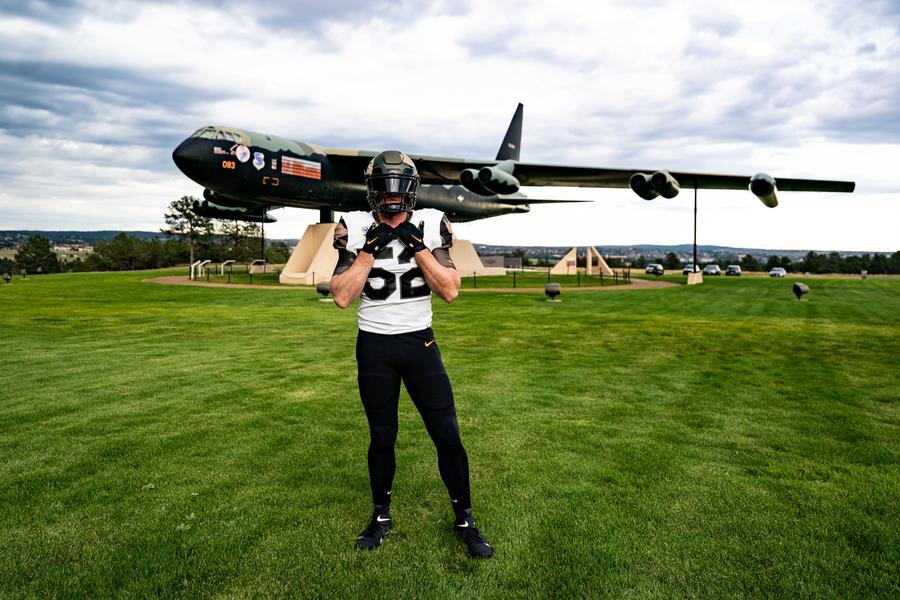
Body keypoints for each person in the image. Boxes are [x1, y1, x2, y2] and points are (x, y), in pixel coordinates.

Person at [329, 150, 493, 559]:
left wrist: (416, 246)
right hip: (374, 345)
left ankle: (465, 520)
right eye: (383, 190)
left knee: (447, 435)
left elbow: (451, 290)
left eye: (397, 189)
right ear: (372, 192)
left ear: (411, 190)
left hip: (419, 342)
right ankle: (380, 516)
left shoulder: (432, 223)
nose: (390, 198)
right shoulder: (353, 225)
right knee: (382, 436)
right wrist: (368, 250)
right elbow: (342, 296)